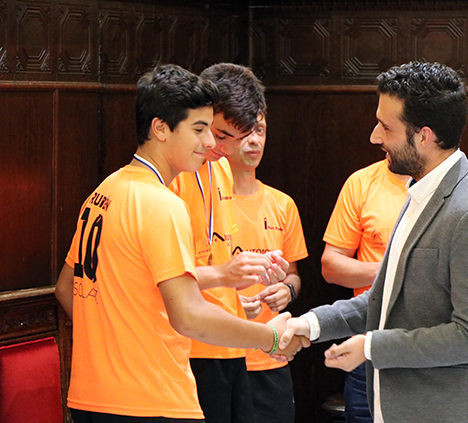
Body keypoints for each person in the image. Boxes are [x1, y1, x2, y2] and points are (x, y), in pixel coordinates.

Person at [54, 64, 306, 423]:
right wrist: (270, 337)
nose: (211, 144)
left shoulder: (105, 190)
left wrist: (115, 340)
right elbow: (187, 315)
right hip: (150, 393)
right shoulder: (161, 202)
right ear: (160, 128)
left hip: (93, 393)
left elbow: (68, 288)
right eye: (200, 130)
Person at [278, 61, 468, 423]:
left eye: (386, 127)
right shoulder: (420, 190)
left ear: (424, 136)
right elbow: (385, 298)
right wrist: (310, 324)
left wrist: (372, 346)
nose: (375, 137)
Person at [169, 63, 288, 423]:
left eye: (239, 138)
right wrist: (223, 275)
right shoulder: (172, 176)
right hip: (189, 346)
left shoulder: (221, 168)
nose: (225, 148)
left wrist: (242, 294)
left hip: (229, 344)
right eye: (221, 135)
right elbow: (166, 279)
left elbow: (215, 253)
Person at [226, 113, 308, 423]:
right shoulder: (206, 204)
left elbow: (294, 276)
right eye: (245, 132)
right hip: (219, 353)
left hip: (270, 357)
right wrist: (230, 301)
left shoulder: (282, 204)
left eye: (260, 130)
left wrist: (287, 290)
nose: (254, 140)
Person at [321, 158, 408, 423]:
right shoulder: (361, 182)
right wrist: (389, 271)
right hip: (367, 338)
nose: (377, 139)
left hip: (424, 339)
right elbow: (331, 266)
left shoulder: (444, 186)